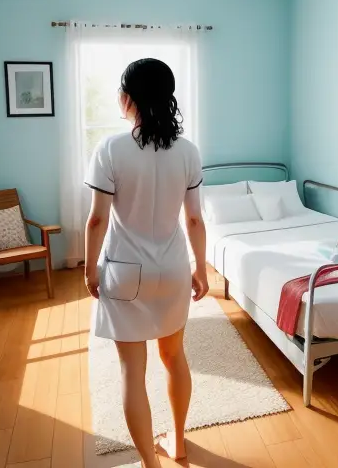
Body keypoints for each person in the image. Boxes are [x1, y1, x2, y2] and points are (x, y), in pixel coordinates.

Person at [84, 58, 208, 468]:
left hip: (125, 271)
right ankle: (179, 444)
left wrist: (89, 270)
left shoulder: (111, 149)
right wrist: (201, 268)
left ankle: (149, 465)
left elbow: (98, 219)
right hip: (172, 269)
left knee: (131, 372)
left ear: (128, 98)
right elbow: (193, 218)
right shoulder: (188, 152)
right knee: (174, 358)